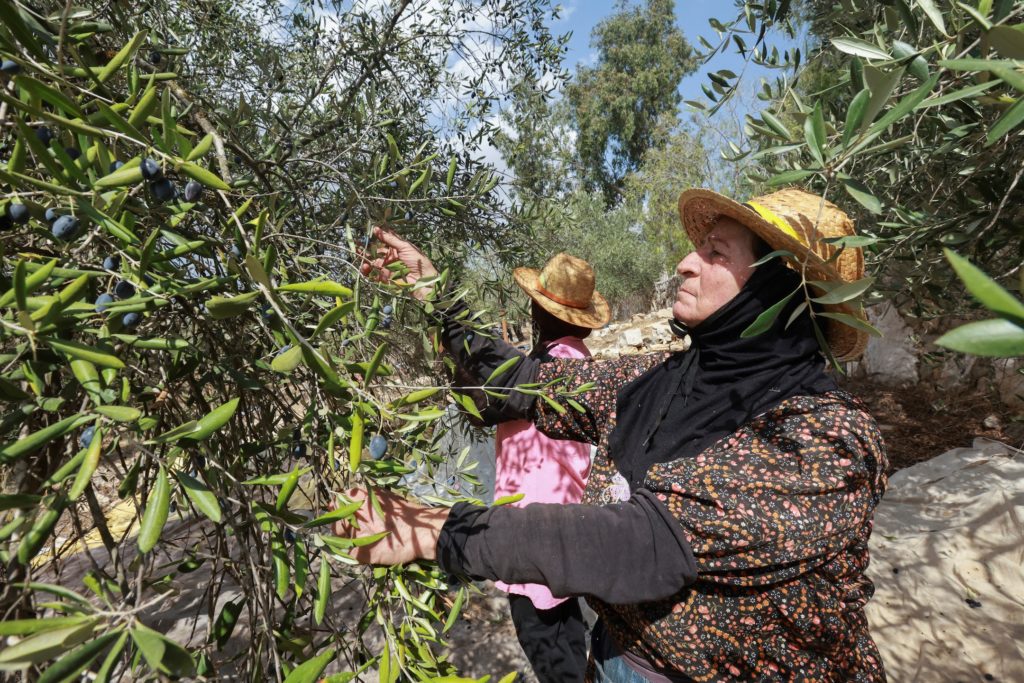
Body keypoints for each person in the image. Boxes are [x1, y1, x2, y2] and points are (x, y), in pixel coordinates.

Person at [340, 188, 889, 682]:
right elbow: (528, 385)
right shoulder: (660, 380)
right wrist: (435, 294)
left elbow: (639, 543)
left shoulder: (824, 438)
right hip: (616, 654)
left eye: (716, 253)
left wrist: (436, 530)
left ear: (777, 287)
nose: (684, 264)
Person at [468, 252, 609, 682]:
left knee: (551, 655)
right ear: (583, 320)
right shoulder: (581, 365)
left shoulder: (545, 372)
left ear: (537, 310)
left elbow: (483, 404)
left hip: (531, 543)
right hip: (569, 531)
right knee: (567, 634)